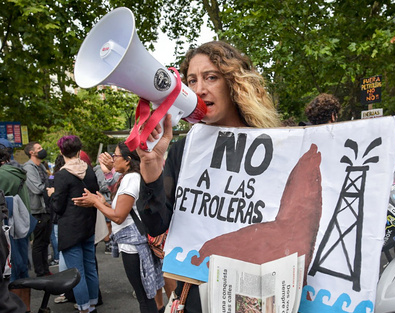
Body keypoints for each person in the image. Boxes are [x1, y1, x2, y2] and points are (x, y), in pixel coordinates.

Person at [135, 41, 281, 313]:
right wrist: (152, 168)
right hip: (195, 299)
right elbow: (155, 225)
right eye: (192, 81)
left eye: (211, 77)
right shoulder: (183, 151)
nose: (199, 89)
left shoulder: (276, 148)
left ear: (234, 82)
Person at [73, 142, 165, 313]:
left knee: (144, 297)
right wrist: (101, 202)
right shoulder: (133, 177)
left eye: (116, 156)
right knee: (146, 294)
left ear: (128, 160)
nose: (113, 160)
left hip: (134, 247)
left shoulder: (131, 179)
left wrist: (95, 203)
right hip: (136, 243)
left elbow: (118, 216)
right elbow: (121, 211)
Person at [50, 135, 100, 313]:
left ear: (61, 151)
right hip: (88, 224)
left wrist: (51, 195)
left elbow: (58, 206)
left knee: (76, 271)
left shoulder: (62, 174)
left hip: (70, 229)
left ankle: (84, 307)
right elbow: (96, 194)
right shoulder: (89, 170)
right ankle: (92, 302)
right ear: (79, 150)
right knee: (90, 266)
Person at [0, 144, 33, 311]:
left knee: (9, 274)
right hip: (22, 226)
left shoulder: (2, 175)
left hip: (6, 229)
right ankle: (26, 308)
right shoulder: (17, 171)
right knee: (22, 270)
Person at [22, 141, 52, 277]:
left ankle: (45, 269)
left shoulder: (40, 167)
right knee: (39, 243)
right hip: (37, 210)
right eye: (39, 148)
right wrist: (50, 189)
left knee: (45, 242)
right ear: (31, 152)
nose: (42, 150)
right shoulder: (29, 168)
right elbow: (37, 188)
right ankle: (40, 271)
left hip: (46, 209)